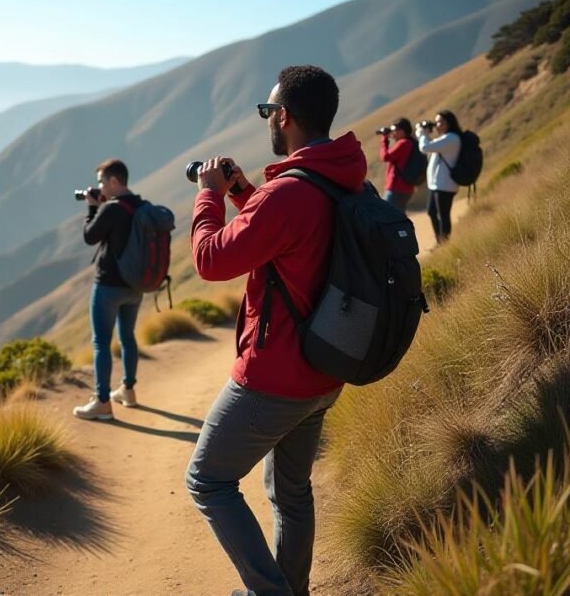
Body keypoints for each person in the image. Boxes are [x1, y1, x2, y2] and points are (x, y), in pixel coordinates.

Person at [185, 66, 366, 596]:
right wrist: (245, 191)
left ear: (282, 116)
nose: (266, 119)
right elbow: (293, 237)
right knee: (291, 493)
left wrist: (210, 196)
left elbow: (211, 259)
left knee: (208, 480)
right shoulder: (340, 175)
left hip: (275, 375)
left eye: (267, 111)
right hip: (325, 366)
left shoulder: (290, 193)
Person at [73, 158, 145, 421]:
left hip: (108, 286)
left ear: (115, 181)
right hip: (135, 287)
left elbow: (90, 236)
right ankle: (128, 390)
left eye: (103, 181)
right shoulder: (138, 205)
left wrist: (93, 208)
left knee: (101, 343)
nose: (100, 186)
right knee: (128, 337)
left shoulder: (111, 209)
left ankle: (102, 401)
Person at [417, 109, 462, 245]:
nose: (437, 125)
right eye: (436, 122)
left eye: (440, 122)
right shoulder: (446, 138)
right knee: (432, 212)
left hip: (445, 185)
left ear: (449, 122)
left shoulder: (451, 138)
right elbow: (432, 147)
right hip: (437, 184)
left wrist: (422, 133)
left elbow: (425, 147)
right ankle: (440, 241)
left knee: (443, 215)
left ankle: (444, 243)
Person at [378, 117, 416, 213]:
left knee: (386, 213)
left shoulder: (404, 143)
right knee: (399, 216)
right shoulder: (411, 142)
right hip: (406, 187)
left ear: (402, 131)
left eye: (394, 130)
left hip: (397, 188)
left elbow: (385, 156)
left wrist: (384, 139)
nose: (392, 133)